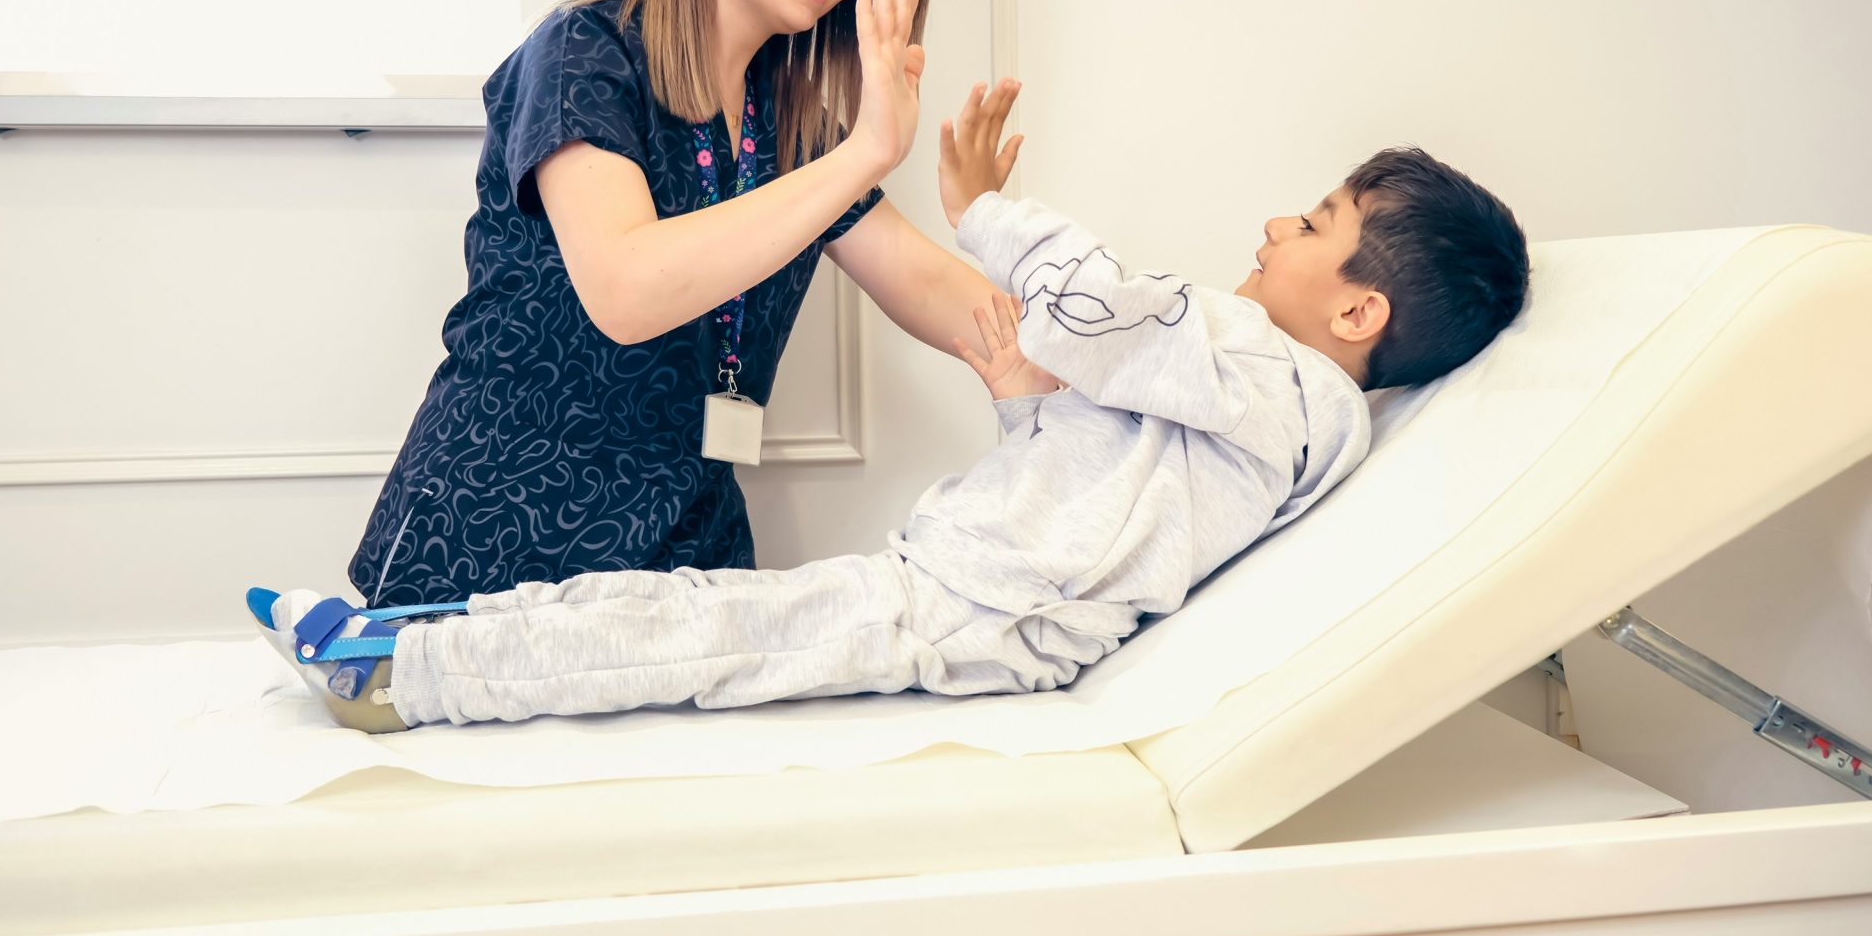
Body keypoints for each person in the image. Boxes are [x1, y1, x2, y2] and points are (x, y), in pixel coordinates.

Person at [253, 129, 1530, 733]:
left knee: (693, 632)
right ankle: (414, 637)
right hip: (973, 594)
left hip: (978, 613)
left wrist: (988, 208)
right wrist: (1030, 395)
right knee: (676, 609)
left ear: (1360, 308)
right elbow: (1111, 481)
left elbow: (1107, 308)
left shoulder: (1276, 375)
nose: (1272, 228)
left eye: (1311, 224)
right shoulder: (1277, 409)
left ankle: (402, 675)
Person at [346, 0, 1028, 607]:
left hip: (684, 565)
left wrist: (1182, 347)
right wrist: (865, 152)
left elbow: (953, 302)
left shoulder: (798, 126)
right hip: (493, 555)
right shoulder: (582, 53)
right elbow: (626, 290)